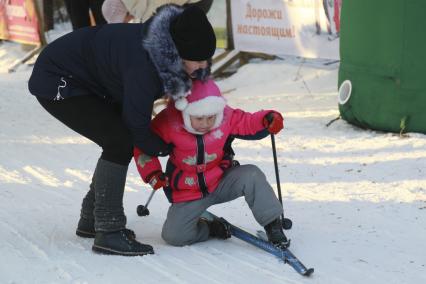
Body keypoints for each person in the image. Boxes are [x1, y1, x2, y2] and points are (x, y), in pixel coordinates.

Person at [27, 5, 216, 256]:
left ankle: (91, 220)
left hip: (94, 79)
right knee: (120, 140)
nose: (202, 66)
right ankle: (108, 230)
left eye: (207, 59)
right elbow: (137, 125)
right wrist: (162, 146)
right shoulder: (145, 64)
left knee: (119, 137)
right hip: (58, 78)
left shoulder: (166, 52)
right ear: (179, 53)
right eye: (198, 60)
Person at [134, 79, 290, 248]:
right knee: (174, 236)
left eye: (210, 118)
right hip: (188, 190)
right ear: (185, 113)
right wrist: (153, 173)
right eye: (199, 118)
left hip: (221, 180)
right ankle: (210, 227)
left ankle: (273, 225)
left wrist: (268, 118)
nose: (206, 124)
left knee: (252, 175)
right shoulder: (169, 122)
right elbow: (143, 146)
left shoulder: (224, 116)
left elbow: (248, 121)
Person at [101, 0, 213, 23]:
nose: (128, 21)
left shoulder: (139, 7)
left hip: (197, 3)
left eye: (123, 21)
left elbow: (151, 25)